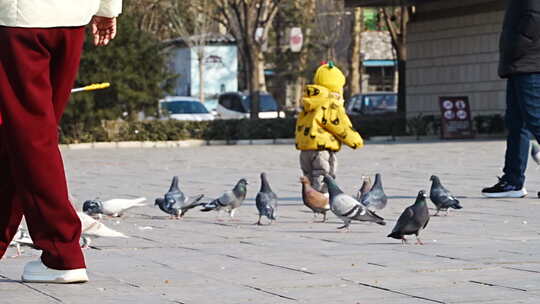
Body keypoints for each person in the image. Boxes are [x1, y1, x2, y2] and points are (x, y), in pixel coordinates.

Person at [0, 0, 122, 283]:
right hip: (72, 16)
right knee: (24, 134)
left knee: (30, 137)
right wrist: (107, 9)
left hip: (20, 19)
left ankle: (62, 253)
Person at [482, 0, 540, 198]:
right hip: (518, 65)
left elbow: (533, 21)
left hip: (529, 65)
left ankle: (513, 180)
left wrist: (516, 49)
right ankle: (513, 181)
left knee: (535, 119)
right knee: (516, 124)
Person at [295, 61, 364, 193]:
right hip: (322, 150)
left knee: (308, 176)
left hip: (305, 150)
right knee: (325, 176)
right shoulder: (331, 103)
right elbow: (339, 125)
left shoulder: (310, 101)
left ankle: (309, 196)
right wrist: (355, 141)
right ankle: (321, 198)